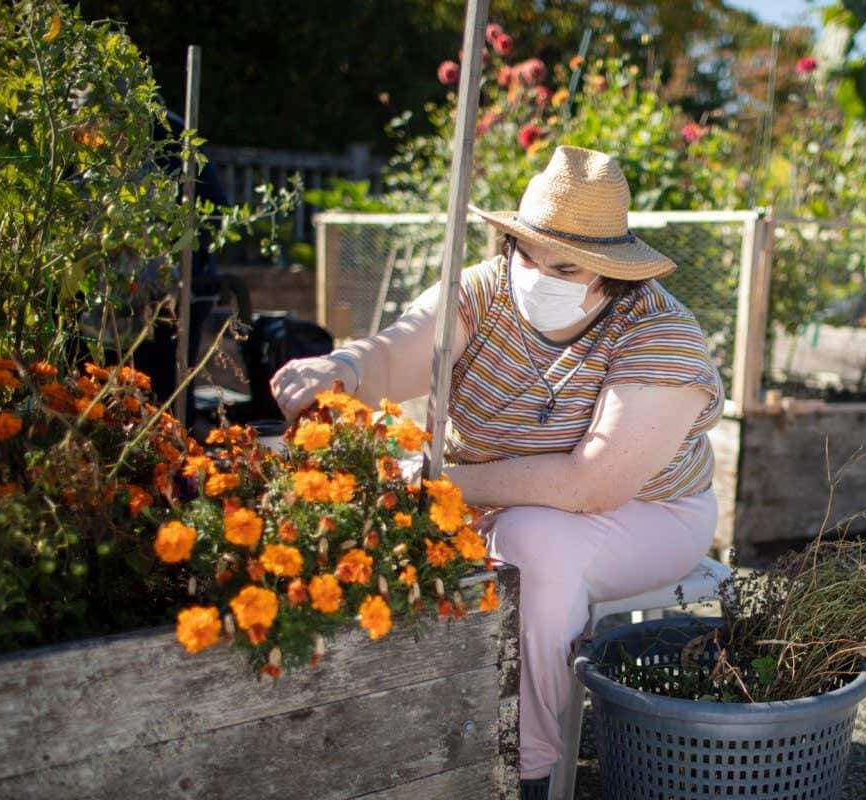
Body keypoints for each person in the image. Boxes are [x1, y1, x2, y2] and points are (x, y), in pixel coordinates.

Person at [271, 145, 723, 798]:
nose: (537, 274)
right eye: (526, 252)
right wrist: (345, 368)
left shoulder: (661, 334)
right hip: (491, 497)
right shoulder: (483, 289)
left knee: (533, 545)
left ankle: (529, 767)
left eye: (563, 265)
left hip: (649, 515)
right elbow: (408, 349)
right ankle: (415, 738)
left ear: (610, 273)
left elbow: (591, 485)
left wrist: (439, 489)